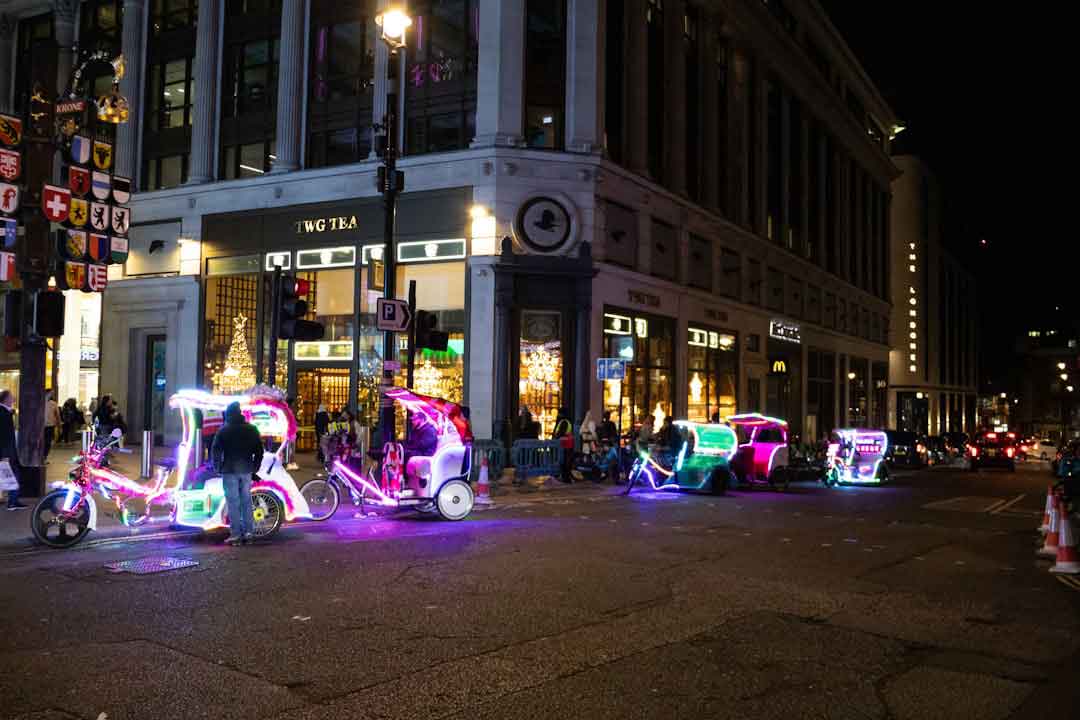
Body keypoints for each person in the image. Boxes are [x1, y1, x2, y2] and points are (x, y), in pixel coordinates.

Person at [211, 401, 264, 546]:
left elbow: (216, 451)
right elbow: (259, 450)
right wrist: (255, 467)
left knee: (233, 503)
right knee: (247, 501)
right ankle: (249, 533)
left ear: (228, 415)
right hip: (246, 470)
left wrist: (217, 467)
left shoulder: (223, 430)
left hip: (229, 470)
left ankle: (235, 535)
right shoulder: (252, 429)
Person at [0, 390, 25, 510]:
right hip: (6, 451)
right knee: (14, 474)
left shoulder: (6, 412)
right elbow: (3, 434)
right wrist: (5, 454)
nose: (13, 399)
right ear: (6, 399)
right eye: (11, 397)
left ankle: (13, 500)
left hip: (7, 450)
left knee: (11, 474)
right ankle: (13, 501)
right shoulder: (3, 413)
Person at [552, 407, 574, 483]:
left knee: (564, 462)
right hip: (566, 445)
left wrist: (555, 438)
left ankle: (565, 478)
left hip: (564, 445)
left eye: (559, 413)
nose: (558, 415)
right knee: (565, 462)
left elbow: (560, 433)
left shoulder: (563, 422)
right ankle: (565, 477)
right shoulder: (566, 421)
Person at [44, 391, 60, 461]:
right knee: (43, 442)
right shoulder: (41, 402)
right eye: (50, 393)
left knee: (48, 442)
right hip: (41, 426)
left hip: (50, 425)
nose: (51, 395)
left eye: (52, 394)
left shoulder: (53, 404)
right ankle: (42, 456)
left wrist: (59, 424)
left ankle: (45, 456)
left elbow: (57, 415)